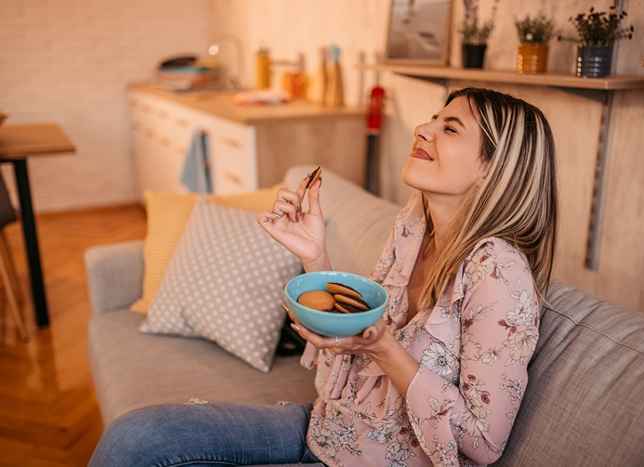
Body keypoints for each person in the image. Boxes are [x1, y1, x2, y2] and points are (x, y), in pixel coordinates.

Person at [89, 87, 557, 467]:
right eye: (434, 118)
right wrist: (315, 256)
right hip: (324, 429)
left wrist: (385, 348)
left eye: (449, 128)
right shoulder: (413, 228)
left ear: (493, 170)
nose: (423, 129)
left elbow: (481, 441)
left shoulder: (499, 273)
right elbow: (352, 344)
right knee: (138, 437)